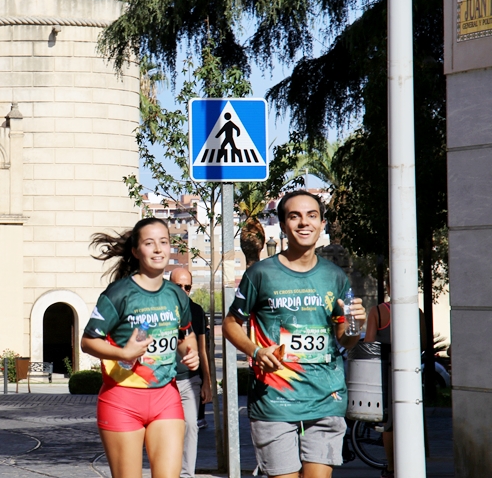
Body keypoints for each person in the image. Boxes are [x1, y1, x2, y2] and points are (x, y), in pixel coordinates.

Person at [224, 190, 367, 478]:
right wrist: (256, 351)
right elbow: (230, 323)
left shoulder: (335, 277)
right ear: (283, 225)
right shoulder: (261, 274)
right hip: (274, 400)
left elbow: (344, 340)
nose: (304, 223)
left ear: (322, 224)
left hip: (325, 398)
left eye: (312, 216)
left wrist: (355, 326)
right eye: (295, 216)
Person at [80, 217, 199, 478]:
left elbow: (185, 335)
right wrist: (124, 353)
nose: (158, 249)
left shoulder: (176, 294)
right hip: (122, 398)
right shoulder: (118, 293)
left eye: (164, 242)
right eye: (149, 243)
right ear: (136, 251)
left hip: (166, 396)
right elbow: (88, 341)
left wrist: (191, 353)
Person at [364, 285, 427, 478]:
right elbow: (424, 342)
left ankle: (391, 467)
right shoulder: (416, 312)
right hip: (409, 371)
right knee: (409, 416)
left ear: (389, 288)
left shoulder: (378, 312)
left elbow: (369, 343)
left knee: (389, 421)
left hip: (385, 370)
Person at [169, 268, 212, 478]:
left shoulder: (196, 311)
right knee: (166, 430)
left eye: (187, 287)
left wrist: (208, 383)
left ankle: (187, 475)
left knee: (191, 427)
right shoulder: (161, 307)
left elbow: (202, 350)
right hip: (164, 381)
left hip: (190, 380)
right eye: (178, 286)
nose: (183, 291)